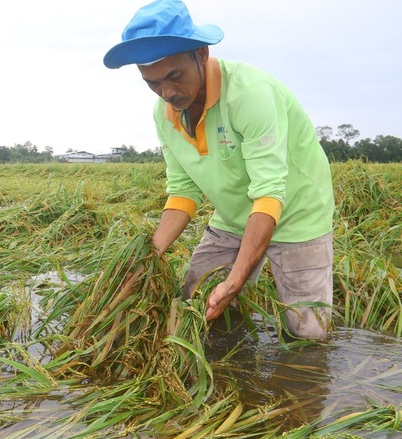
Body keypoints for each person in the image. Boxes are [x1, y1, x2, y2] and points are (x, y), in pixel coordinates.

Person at [103, 0, 335, 339]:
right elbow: (183, 193)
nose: (166, 92)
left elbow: (269, 194)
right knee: (197, 304)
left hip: (298, 217)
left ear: (201, 54)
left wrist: (236, 278)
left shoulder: (250, 94)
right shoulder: (164, 114)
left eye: (173, 76)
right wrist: (147, 258)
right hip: (234, 218)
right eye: (151, 82)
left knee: (309, 333)